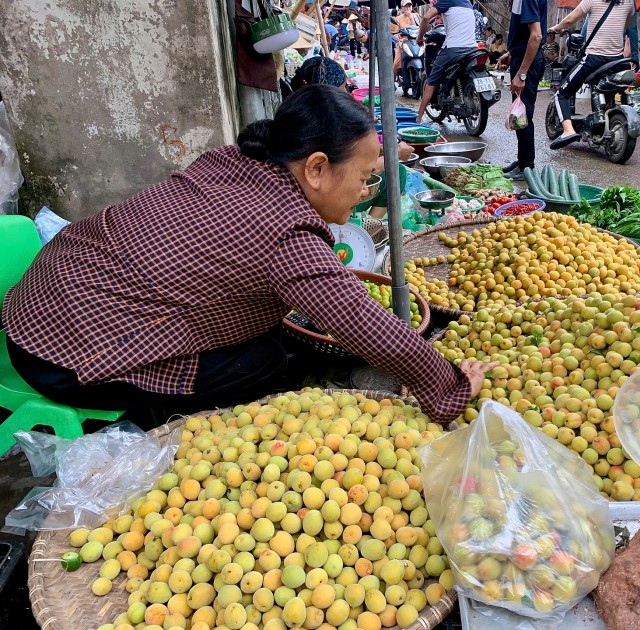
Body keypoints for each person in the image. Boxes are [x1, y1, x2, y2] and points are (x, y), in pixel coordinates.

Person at [2, 86, 494, 427]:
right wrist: (448, 385)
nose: (367, 189)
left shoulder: (234, 161)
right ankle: (182, 425)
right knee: (265, 358)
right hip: (63, 353)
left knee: (270, 332)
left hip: (45, 299)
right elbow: (365, 325)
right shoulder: (286, 233)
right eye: (365, 175)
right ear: (317, 168)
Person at [546, 0, 634, 151]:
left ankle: (568, 130)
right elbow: (626, 25)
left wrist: (555, 28)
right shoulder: (629, 2)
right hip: (618, 60)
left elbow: (570, 19)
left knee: (562, 93)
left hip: (594, 58)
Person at [495, 0, 547, 181]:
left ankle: (527, 167)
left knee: (524, 116)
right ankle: (522, 160)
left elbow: (536, 36)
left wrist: (522, 73)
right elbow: (525, 35)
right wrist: (511, 53)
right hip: (521, 56)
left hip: (529, 64)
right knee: (520, 113)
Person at [416, 0, 478, 123]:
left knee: (431, 82)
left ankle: (418, 117)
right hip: (473, 48)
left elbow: (426, 17)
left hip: (453, 49)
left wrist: (419, 38)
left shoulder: (446, 1)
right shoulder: (468, 3)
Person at [393, 0, 421, 80]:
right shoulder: (398, 19)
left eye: (409, 6)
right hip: (403, 42)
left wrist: (411, 17)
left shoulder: (416, 16)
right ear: (402, 8)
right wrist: (398, 36)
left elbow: (418, 27)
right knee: (396, 64)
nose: (408, 8)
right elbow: (396, 32)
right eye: (406, 6)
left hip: (415, 41)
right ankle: (392, 81)